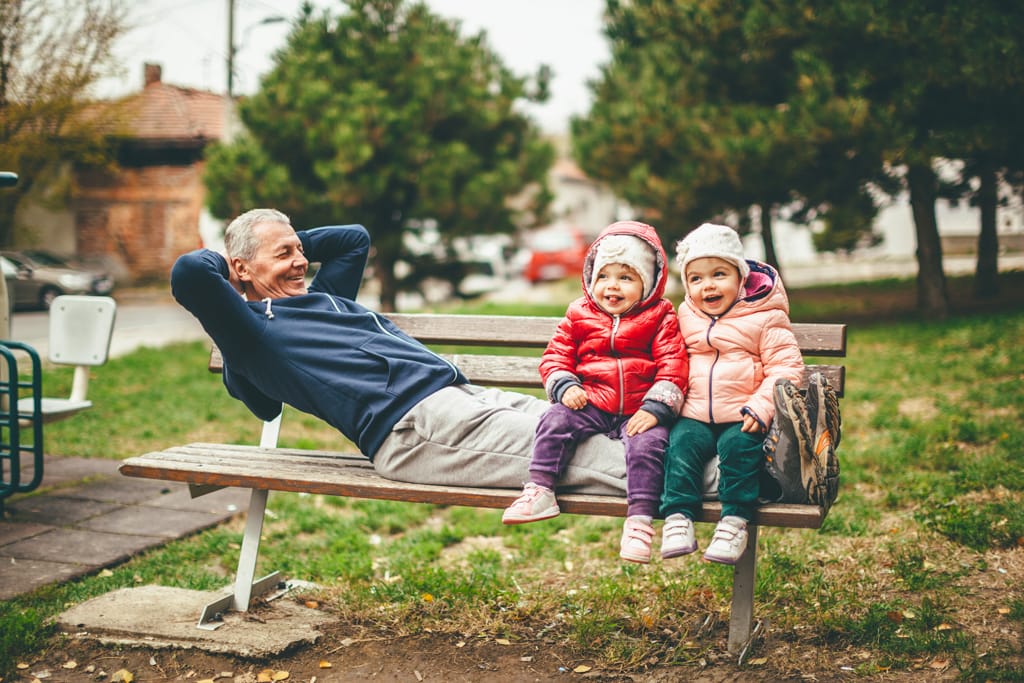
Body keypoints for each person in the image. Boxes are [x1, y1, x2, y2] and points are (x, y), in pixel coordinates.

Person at [170, 208, 629, 493]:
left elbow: (354, 239)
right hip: (416, 426)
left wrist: (283, 241)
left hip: (465, 398)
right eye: (284, 254)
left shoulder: (321, 297)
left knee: (594, 422)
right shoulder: (251, 332)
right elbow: (191, 272)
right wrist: (235, 268)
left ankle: (686, 454)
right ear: (241, 268)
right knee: (587, 453)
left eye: (300, 250)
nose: (301, 262)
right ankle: (697, 478)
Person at [501, 221, 689, 565]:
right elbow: (556, 356)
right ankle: (541, 489)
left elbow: (673, 365)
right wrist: (565, 385)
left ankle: (640, 520)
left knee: (650, 445)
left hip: (640, 406)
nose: (612, 286)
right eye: (604, 276)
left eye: (626, 278)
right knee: (554, 420)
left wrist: (656, 408)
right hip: (591, 399)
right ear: (590, 278)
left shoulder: (661, 315)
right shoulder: (579, 313)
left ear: (647, 284)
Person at [660, 223, 804, 565]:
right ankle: (678, 517)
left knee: (739, 450)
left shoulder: (764, 316)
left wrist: (761, 406)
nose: (707, 285)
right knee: (680, 447)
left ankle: (735, 520)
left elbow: (785, 368)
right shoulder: (685, 316)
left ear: (741, 277)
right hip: (694, 412)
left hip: (744, 412)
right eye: (695, 278)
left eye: (719, 274)